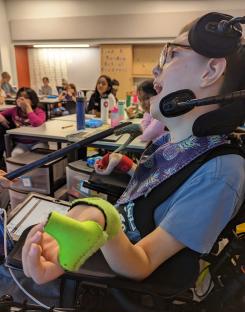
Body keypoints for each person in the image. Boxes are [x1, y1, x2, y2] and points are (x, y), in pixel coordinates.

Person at [22, 12, 245, 285]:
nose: (155, 69)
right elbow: (164, 188)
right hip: (108, 237)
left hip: (122, 268)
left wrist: (103, 217)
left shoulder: (221, 172)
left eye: (172, 54)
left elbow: (143, 262)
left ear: (211, 71)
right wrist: (128, 167)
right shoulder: (174, 141)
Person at [0, 87, 46, 158]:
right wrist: (1, 118)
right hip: (21, 143)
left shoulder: (39, 111)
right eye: (20, 97)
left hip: (37, 141)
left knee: (38, 157)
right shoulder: (14, 110)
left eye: (26, 98)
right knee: (15, 155)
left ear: (33, 101)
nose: (22, 100)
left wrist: (27, 107)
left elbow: (37, 123)